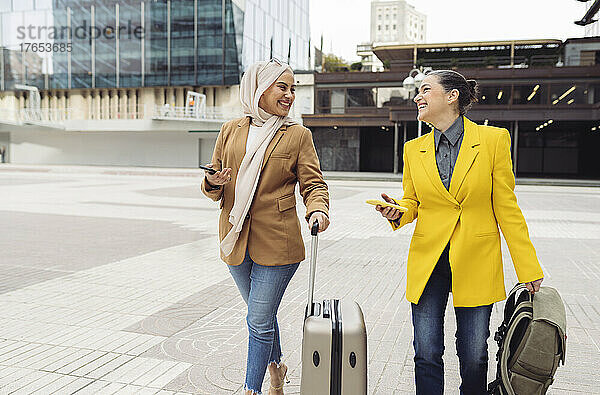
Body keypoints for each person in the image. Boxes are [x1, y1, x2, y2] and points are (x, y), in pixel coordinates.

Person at [374, 69, 544, 395]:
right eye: (417, 92)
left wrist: (528, 268)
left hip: (476, 259)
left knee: (474, 356)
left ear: (452, 96)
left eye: (425, 90)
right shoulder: (414, 149)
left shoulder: (493, 141)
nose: (417, 97)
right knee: (426, 352)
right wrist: (399, 211)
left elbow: (507, 209)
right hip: (429, 261)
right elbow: (413, 201)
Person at [201, 58, 330, 395]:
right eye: (282, 87)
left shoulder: (297, 134)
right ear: (259, 88)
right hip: (235, 238)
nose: (289, 95)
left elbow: (314, 184)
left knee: (257, 320)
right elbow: (213, 186)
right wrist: (213, 181)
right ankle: (277, 370)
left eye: (292, 89)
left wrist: (318, 210)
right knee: (263, 316)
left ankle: (250, 390)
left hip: (279, 241)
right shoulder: (231, 129)